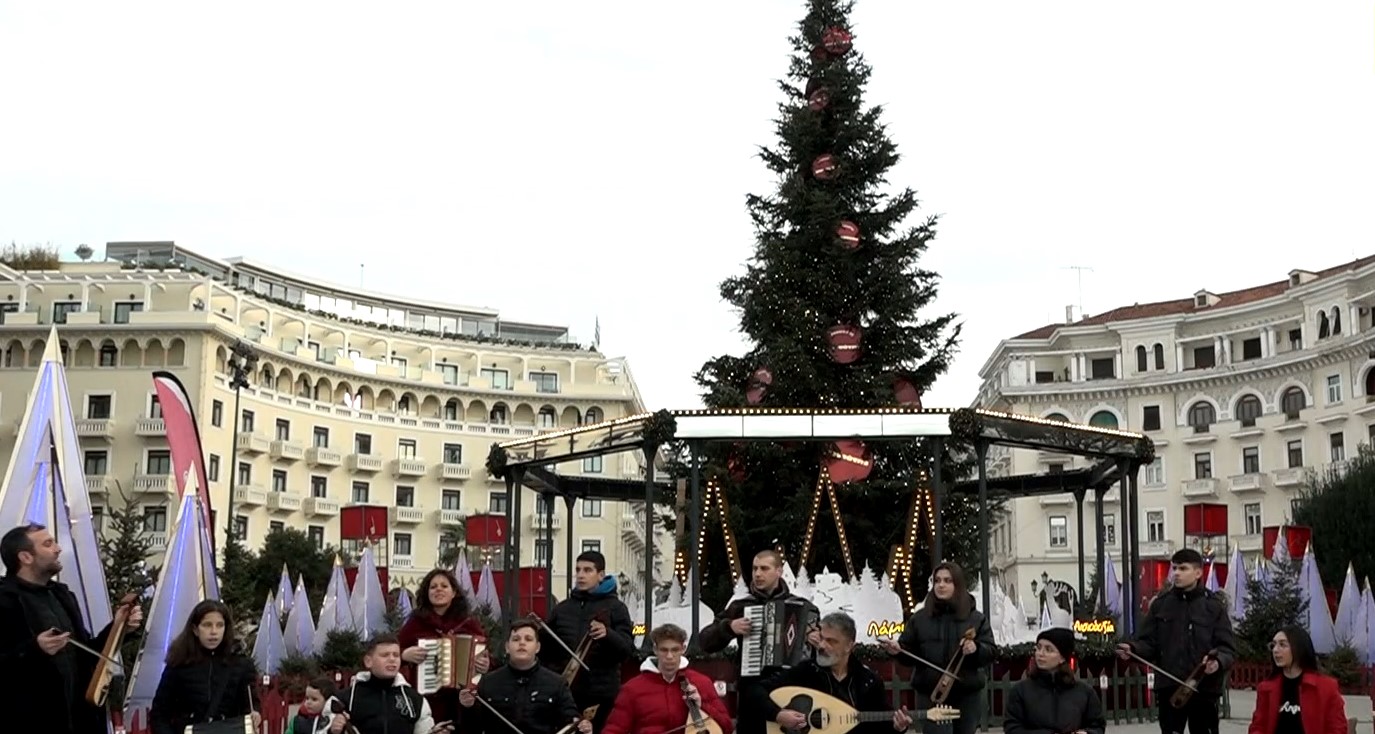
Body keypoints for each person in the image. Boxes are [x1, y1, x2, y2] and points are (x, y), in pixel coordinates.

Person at [0, 523, 145, 734]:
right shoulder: (5, 601)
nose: (58, 548)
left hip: (80, 721)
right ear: (25, 557)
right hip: (30, 721)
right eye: (48, 544)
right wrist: (35, 649)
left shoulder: (62, 595)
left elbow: (87, 652)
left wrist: (119, 627)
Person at [698, 550, 821, 734]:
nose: (757, 574)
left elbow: (823, 654)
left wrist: (818, 642)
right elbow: (705, 641)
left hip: (791, 694)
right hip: (752, 697)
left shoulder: (804, 608)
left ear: (779, 571)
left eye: (764, 568)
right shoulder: (741, 607)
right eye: (755, 568)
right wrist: (729, 627)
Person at [1118, 548, 1236, 734]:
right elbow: (1148, 642)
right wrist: (1132, 649)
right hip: (1170, 689)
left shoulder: (1213, 606)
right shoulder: (1161, 604)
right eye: (1174, 568)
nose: (1176, 573)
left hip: (1203, 689)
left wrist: (1218, 661)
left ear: (1198, 572)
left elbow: (1227, 648)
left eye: (1183, 568)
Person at [883, 561, 995, 734]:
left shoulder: (976, 618)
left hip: (966, 694)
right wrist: (898, 650)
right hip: (931, 694)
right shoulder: (919, 618)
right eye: (937, 580)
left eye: (947, 581)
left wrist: (976, 649)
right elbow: (908, 652)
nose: (941, 585)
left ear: (957, 584)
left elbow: (991, 652)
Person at [758, 612, 912, 734]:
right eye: (822, 638)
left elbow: (880, 727)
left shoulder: (868, 681)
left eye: (831, 641)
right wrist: (777, 714)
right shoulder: (806, 672)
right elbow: (755, 691)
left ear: (849, 646)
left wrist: (899, 728)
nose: (822, 646)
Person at [537, 550, 635, 734]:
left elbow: (627, 650)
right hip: (567, 692)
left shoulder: (616, 608)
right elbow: (545, 650)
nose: (581, 575)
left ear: (601, 575)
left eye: (588, 570)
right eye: (578, 570)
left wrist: (608, 634)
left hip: (601, 694)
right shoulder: (562, 608)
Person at [148, 599, 260, 734]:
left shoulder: (240, 663)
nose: (214, 631)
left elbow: (250, 703)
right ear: (195, 629)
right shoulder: (179, 663)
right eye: (207, 625)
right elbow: (159, 713)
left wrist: (255, 714)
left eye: (219, 625)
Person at [459, 619, 591, 734]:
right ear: (507, 647)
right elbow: (472, 728)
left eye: (528, 639)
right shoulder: (488, 682)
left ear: (537, 647)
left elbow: (571, 722)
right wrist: (467, 707)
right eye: (516, 639)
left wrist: (583, 728)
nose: (522, 643)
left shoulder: (557, 683)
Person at [396, 568, 491, 728]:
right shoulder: (416, 622)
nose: (438, 589)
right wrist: (404, 654)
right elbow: (392, 651)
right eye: (433, 587)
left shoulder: (469, 623)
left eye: (444, 586)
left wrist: (486, 665)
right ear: (426, 593)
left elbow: (485, 657)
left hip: (462, 701)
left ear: (454, 593)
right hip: (427, 699)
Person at [602, 624, 733, 734]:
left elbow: (726, 726)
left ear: (683, 649)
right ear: (655, 649)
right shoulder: (632, 689)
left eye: (675, 650)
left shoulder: (701, 683)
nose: (669, 656)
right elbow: (614, 729)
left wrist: (702, 705)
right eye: (664, 650)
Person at [332, 634, 449, 734]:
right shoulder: (344, 699)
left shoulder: (415, 699)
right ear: (368, 661)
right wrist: (333, 731)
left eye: (396, 655)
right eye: (385, 655)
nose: (392, 659)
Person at [1247, 626, 1347, 734]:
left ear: (1299, 648)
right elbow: (1258, 727)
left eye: (1282, 644)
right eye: (1273, 645)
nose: (1275, 650)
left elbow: (1337, 729)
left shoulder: (1326, 688)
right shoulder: (1266, 689)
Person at [1004, 629, 1105, 734]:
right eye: (1038, 648)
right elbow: (1012, 729)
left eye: (1048, 649)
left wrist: (1087, 733)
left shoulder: (1085, 693)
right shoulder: (1020, 691)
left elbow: (1097, 726)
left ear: (1062, 658)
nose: (1040, 654)